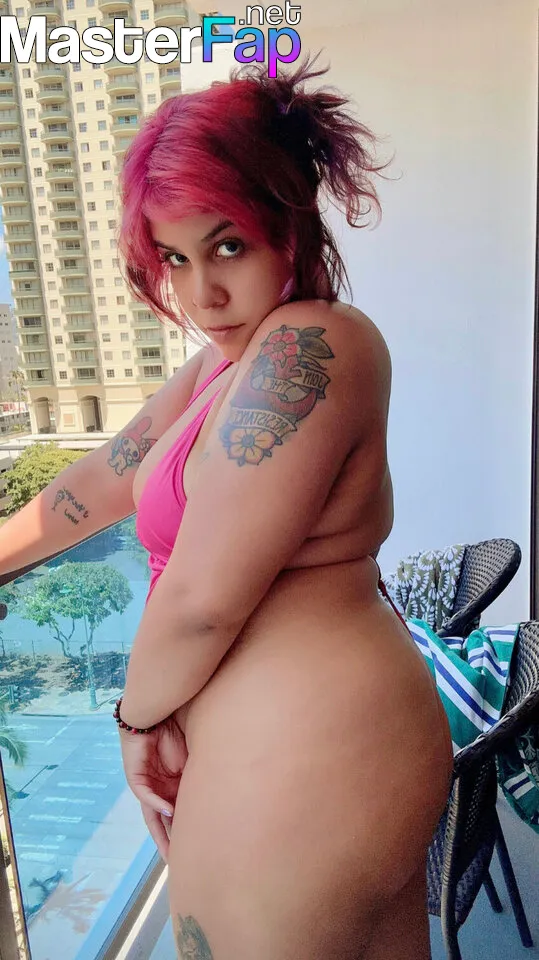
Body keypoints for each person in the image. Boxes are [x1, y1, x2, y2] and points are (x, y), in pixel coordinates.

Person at [0, 54, 453, 959]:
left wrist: (134, 720)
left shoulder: (310, 342)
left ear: (289, 223)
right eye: (174, 258)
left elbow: (204, 602)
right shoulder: (224, 363)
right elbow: (103, 479)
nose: (199, 293)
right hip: (311, 756)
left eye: (228, 246)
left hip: (310, 761)